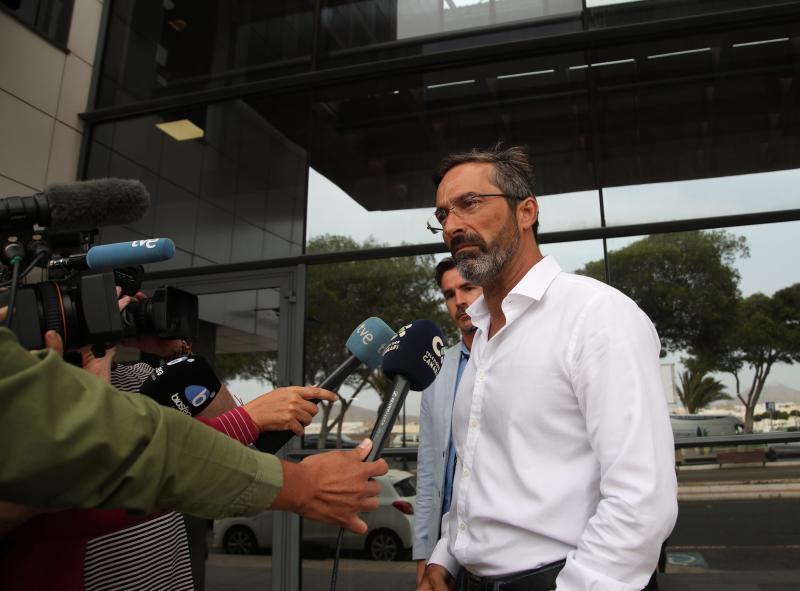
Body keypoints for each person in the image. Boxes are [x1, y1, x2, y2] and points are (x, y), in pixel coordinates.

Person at [420, 144, 678, 591]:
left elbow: (642, 500)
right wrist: (444, 556)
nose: (454, 226)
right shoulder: (481, 335)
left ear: (526, 212)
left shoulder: (596, 316)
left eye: (470, 203)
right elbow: (476, 470)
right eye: (443, 215)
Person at [0, 325, 388, 531]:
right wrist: (298, 482)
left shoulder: (147, 375)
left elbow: (209, 456)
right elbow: (102, 465)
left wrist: (167, 350)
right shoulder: (32, 403)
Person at [414, 257, 482, 588]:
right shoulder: (437, 369)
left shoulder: (509, 358)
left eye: (468, 287)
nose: (460, 301)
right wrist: (424, 554)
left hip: (493, 545)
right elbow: (428, 469)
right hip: (443, 550)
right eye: (449, 294)